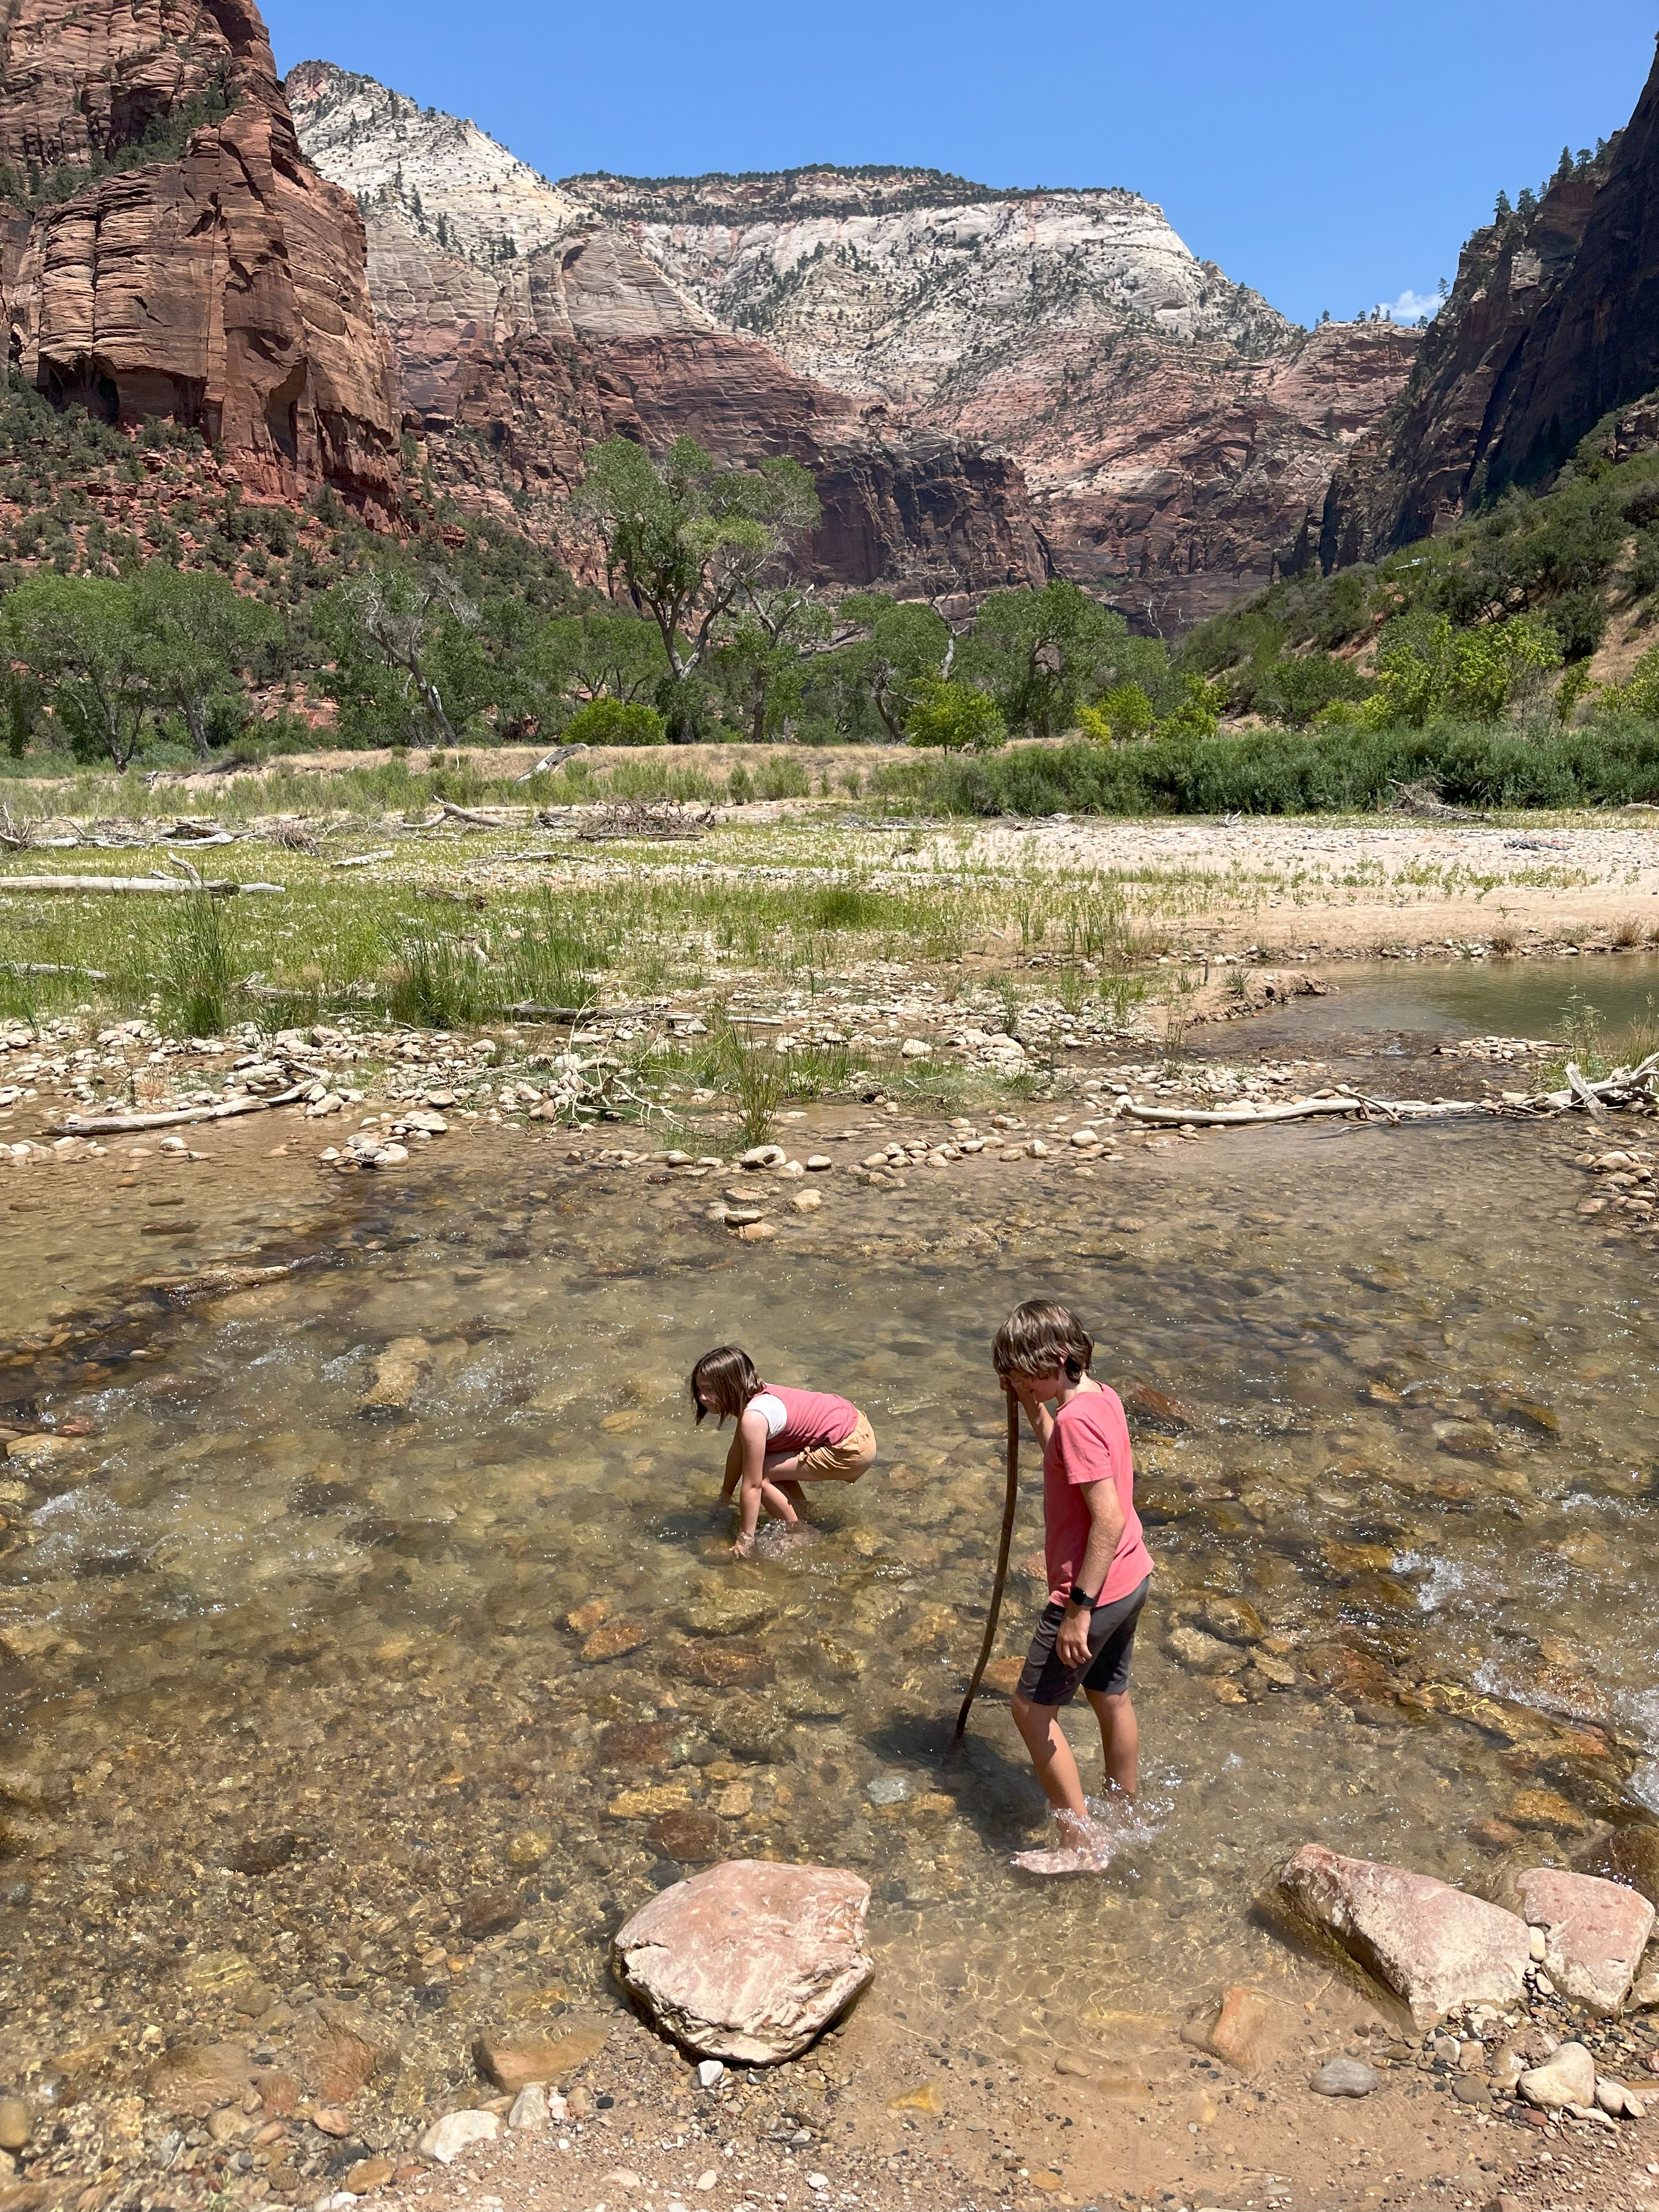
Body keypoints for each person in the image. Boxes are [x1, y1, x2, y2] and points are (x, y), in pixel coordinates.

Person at [991, 1298, 1153, 1870]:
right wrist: (1032, 1404)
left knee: (1031, 1713)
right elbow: (1063, 1453)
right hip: (1133, 1576)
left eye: (1019, 1371)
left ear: (1055, 1360)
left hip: (1095, 1591)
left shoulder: (1079, 1421)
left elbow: (1105, 1517)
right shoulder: (1097, 1398)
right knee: (1110, 1696)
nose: (1012, 1380)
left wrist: (1078, 1610)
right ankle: (1124, 1812)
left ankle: (1080, 1846)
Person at [689, 1346, 877, 1558]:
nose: (702, 1397)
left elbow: (753, 1485)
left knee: (762, 1473)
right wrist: (725, 1497)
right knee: (764, 1463)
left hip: (849, 1447)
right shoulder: (754, 1396)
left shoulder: (754, 1417)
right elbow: (737, 1452)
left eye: (709, 1389)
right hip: (855, 1425)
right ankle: (804, 1517)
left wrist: (745, 1541)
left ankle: (800, 1533)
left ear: (730, 1386)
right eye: (699, 1390)